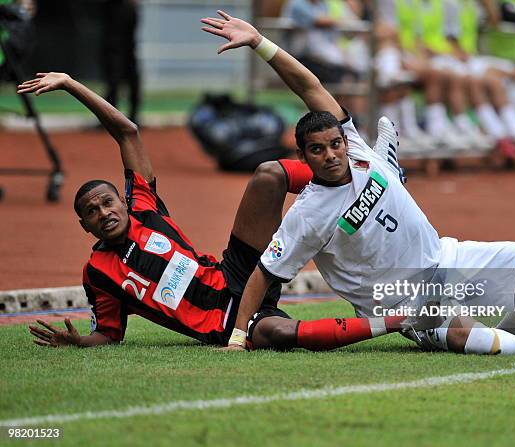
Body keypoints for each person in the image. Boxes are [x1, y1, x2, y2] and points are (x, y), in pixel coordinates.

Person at [200, 11, 515, 354]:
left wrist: (260, 43)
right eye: (317, 150)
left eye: (335, 144)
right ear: (303, 156)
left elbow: (310, 86)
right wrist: (237, 338)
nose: (330, 155)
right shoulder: (307, 214)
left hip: (447, 259)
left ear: (346, 141)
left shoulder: (358, 150)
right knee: (463, 334)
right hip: (401, 301)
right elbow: (263, 274)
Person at [20, 71, 406, 350]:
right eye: (92, 211)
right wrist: (78, 342)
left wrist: (71, 84)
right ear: (85, 226)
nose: (104, 212)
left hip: (234, 272)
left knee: (269, 173)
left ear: (122, 200)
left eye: (107, 201)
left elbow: (127, 132)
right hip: (223, 325)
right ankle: (400, 321)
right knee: (281, 336)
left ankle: (366, 182)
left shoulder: (143, 208)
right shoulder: (98, 274)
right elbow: (108, 333)